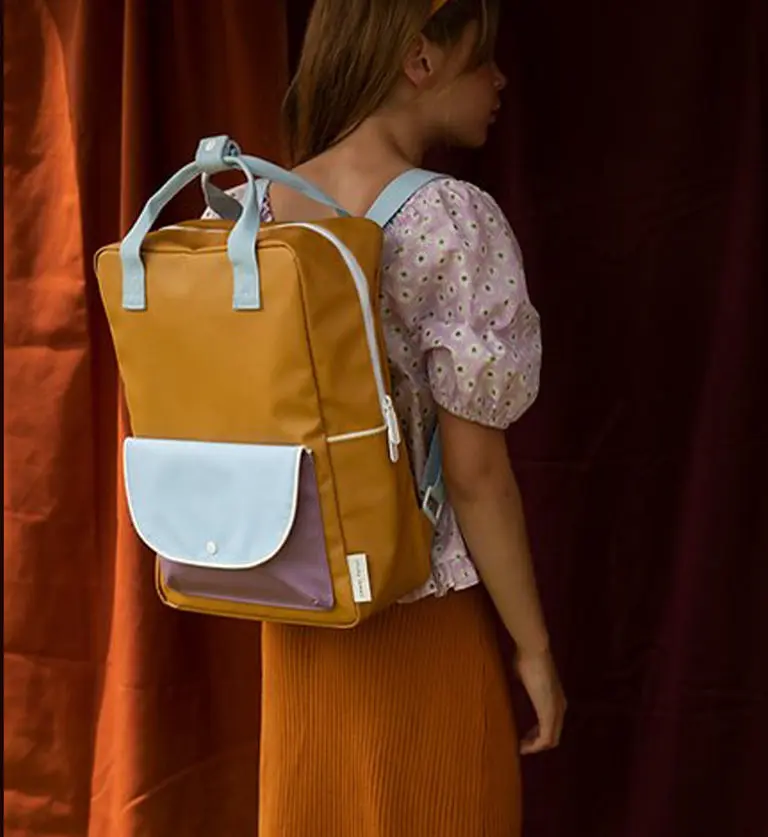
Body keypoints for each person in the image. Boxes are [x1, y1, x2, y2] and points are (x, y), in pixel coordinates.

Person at [208, 1, 566, 834]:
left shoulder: (248, 209)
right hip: (415, 607)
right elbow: (475, 476)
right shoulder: (452, 219)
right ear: (419, 60)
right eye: (483, 57)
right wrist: (534, 649)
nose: (499, 80)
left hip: (294, 604)